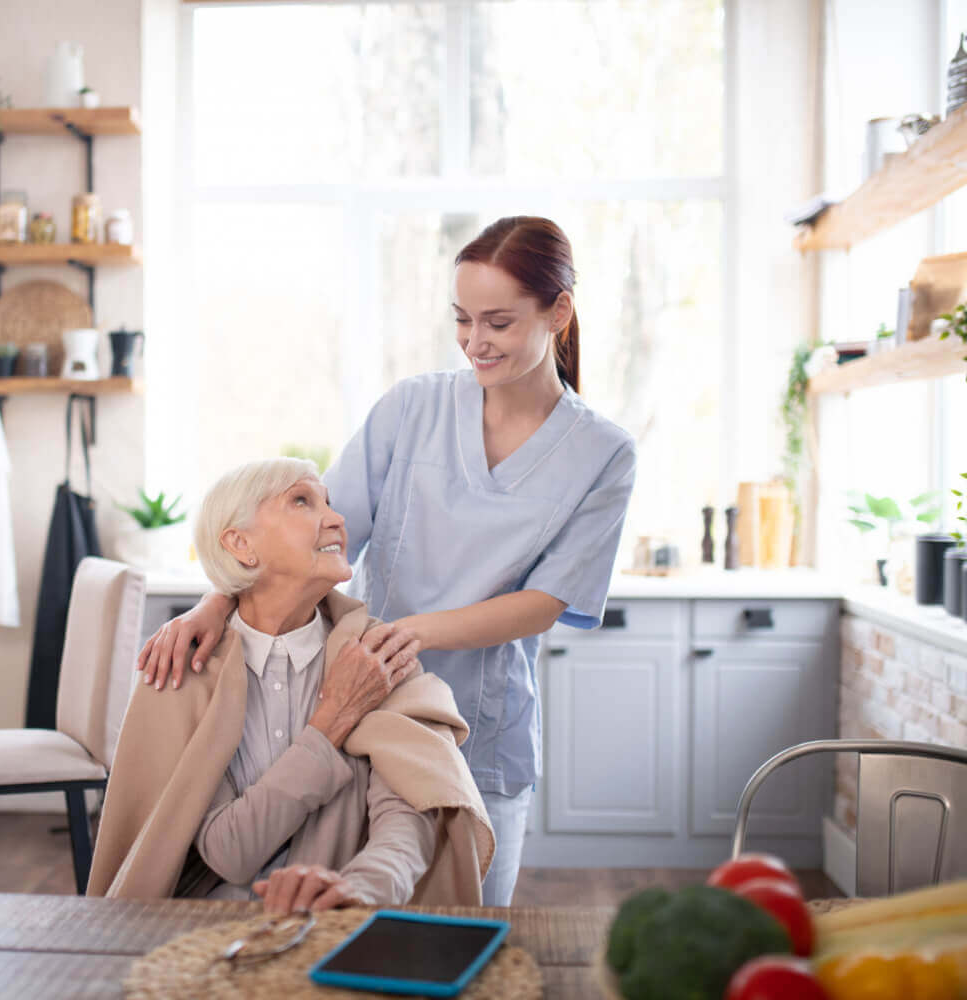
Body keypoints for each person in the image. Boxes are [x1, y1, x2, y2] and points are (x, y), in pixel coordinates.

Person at [138, 216, 636, 905]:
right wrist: (215, 600)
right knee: (349, 924)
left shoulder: (604, 452)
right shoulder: (413, 409)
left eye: (498, 322)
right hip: (360, 712)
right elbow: (317, 534)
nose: (475, 342)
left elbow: (548, 601)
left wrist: (413, 633)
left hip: (482, 735)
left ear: (558, 311)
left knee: (467, 935)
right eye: (462, 319)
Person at [90, 458, 494, 911]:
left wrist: (365, 886)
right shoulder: (185, 669)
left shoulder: (377, 655)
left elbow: (408, 816)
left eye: (329, 502)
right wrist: (331, 722)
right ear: (241, 544)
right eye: (301, 501)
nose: (337, 519)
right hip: (204, 927)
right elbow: (229, 852)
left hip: (344, 926)